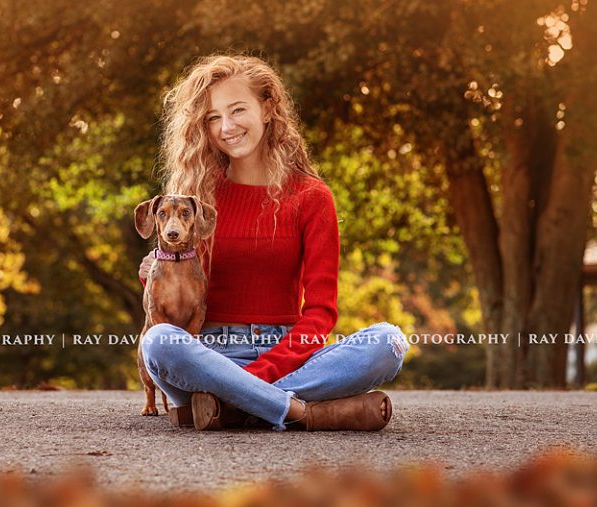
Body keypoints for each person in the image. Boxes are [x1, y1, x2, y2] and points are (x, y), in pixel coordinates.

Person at [138, 54, 409, 431]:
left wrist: (260, 373)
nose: (226, 127)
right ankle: (301, 411)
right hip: (208, 355)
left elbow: (320, 314)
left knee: (388, 342)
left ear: (267, 109)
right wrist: (153, 273)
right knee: (160, 342)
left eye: (237, 110)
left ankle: (231, 407)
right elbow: (176, 293)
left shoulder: (312, 198)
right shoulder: (195, 199)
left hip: (289, 354)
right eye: (213, 117)